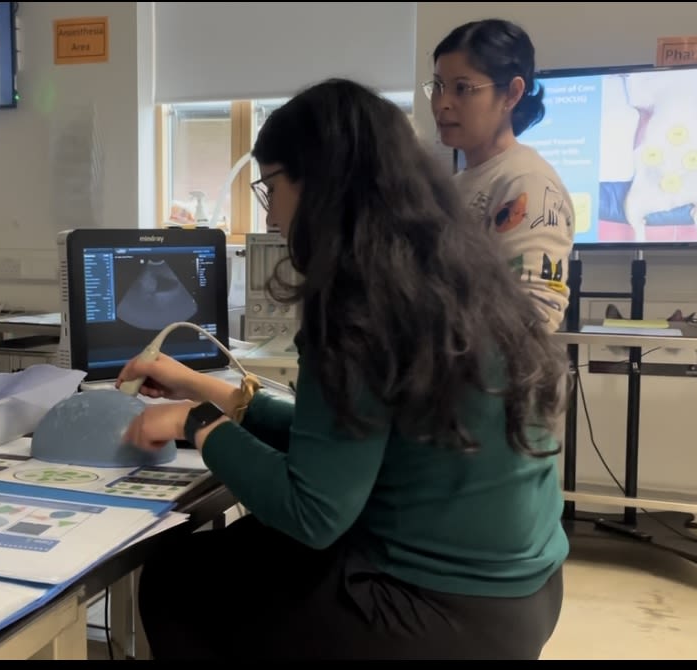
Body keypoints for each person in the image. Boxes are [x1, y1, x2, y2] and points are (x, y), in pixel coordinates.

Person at [116, 78, 570, 660]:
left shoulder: (360, 307)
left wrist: (196, 422)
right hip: (524, 598)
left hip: (435, 614)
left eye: (271, 187)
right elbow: (342, 444)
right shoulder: (455, 281)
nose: (272, 214)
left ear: (319, 185)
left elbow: (315, 512)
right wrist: (202, 389)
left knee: (179, 575)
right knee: (246, 547)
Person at [430, 18, 576, 333]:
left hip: (492, 380)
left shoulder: (526, 181)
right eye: (438, 86)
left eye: (462, 89)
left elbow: (535, 314)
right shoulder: (455, 185)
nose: (442, 104)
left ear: (511, 93)